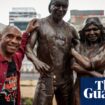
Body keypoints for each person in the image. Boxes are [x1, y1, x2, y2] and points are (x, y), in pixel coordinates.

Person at [26, 0, 79, 105]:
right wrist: (36, 61)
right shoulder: (39, 24)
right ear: (50, 6)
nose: (61, 9)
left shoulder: (71, 29)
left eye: (64, 6)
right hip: (47, 78)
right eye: (57, 5)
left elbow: (80, 47)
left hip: (66, 80)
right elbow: (28, 47)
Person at [0, 19, 38, 105]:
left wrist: (27, 31)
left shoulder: (16, 58)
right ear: (0, 37)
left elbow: (21, 47)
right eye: (9, 36)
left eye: (18, 38)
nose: (14, 41)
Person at [71, 17, 105, 105]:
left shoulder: (103, 47)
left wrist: (73, 52)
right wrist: (95, 73)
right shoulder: (79, 46)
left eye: (95, 29)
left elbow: (89, 65)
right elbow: (73, 65)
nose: (91, 33)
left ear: (101, 30)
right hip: (79, 87)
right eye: (88, 30)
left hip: (97, 88)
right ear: (83, 32)